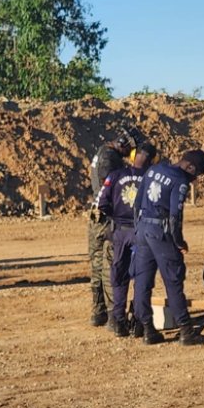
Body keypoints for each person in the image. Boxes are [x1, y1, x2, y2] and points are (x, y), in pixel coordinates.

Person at [131, 149, 204, 346]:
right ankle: (185, 330)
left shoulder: (153, 169)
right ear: (190, 167)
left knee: (142, 280)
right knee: (173, 280)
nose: (193, 180)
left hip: (142, 228)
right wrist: (179, 241)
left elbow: (137, 203)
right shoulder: (179, 181)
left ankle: (147, 328)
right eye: (196, 175)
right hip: (161, 231)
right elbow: (175, 216)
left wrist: (138, 229)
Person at [96, 142, 158, 337]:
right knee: (142, 278)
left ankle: (119, 322)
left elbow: (102, 203)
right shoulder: (152, 179)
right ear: (151, 161)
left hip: (120, 232)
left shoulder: (115, 175)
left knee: (119, 278)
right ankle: (142, 324)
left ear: (133, 156)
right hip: (142, 232)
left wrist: (115, 219)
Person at [87, 127, 145, 326]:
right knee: (111, 263)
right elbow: (111, 187)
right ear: (124, 143)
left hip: (97, 214)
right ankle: (113, 313)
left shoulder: (103, 152)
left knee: (96, 263)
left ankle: (98, 311)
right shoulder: (110, 158)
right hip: (107, 217)